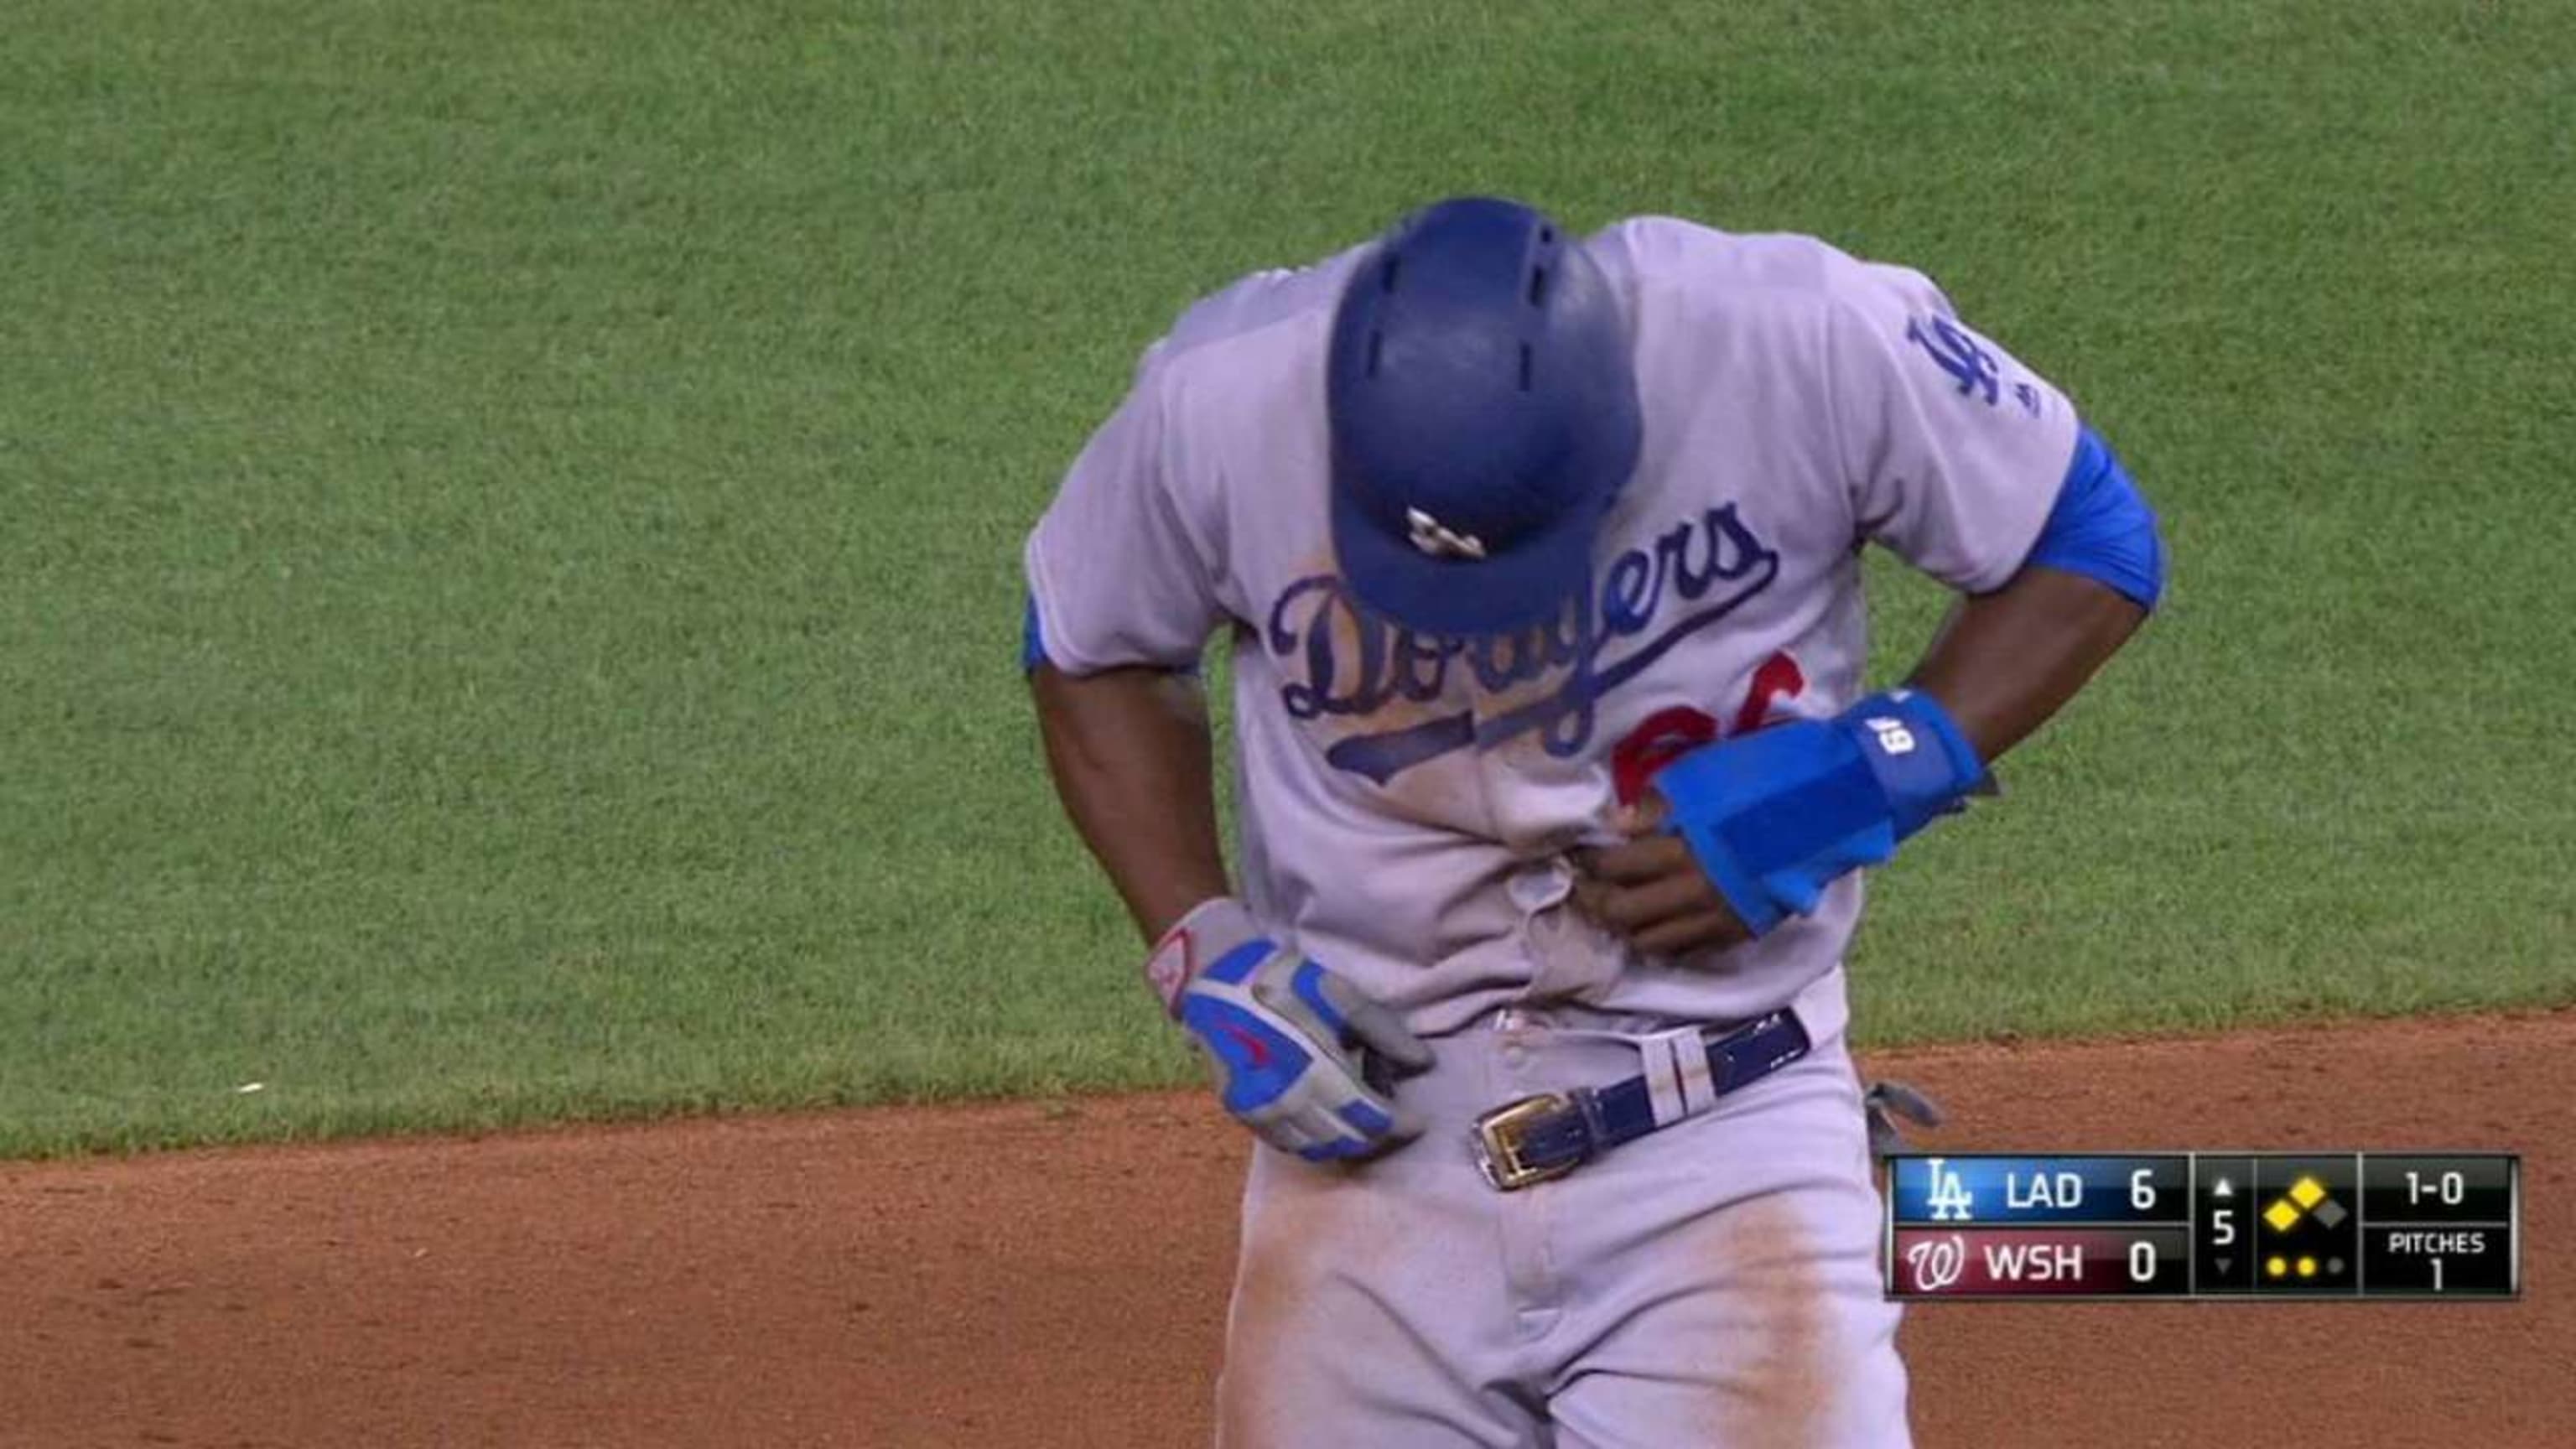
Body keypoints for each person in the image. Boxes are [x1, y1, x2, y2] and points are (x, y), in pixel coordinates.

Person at [1022, 196, 2163, 1447]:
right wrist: (1200, 943)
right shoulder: (1220, 400)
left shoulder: (1800, 340)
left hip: (1724, 1138)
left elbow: (2088, 535)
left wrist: (1863, 778)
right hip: (1367, 1160)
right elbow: (1088, 645)